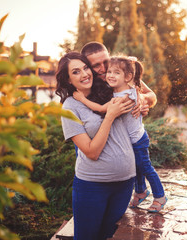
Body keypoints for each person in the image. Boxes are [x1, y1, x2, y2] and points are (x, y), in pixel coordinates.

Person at [55, 52, 137, 240]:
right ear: (68, 80)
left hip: (125, 182)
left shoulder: (109, 89)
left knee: (110, 236)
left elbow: (140, 88)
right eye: (76, 72)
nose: (84, 74)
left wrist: (147, 102)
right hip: (93, 185)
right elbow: (92, 152)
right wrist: (109, 116)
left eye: (85, 68)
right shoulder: (70, 107)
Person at [73, 55, 167, 213]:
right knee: (137, 166)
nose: (108, 74)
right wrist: (130, 61)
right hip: (132, 138)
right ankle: (141, 191)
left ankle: (160, 196)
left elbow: (102, 109)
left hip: (137, 139)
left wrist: (82, 99)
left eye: (115, 72)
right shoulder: (123, 87)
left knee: (145, 167)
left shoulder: (123, 96)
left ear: (127, 76)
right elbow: (133, 78)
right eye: (109, 71)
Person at [81, 41, 157, 116]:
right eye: (96, 65)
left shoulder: (121, 75)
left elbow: (152, 95)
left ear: (109, 56)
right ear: (87, 66)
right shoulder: (85, 85)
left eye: (106, 62)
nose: (104, 69)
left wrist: (140, 99)